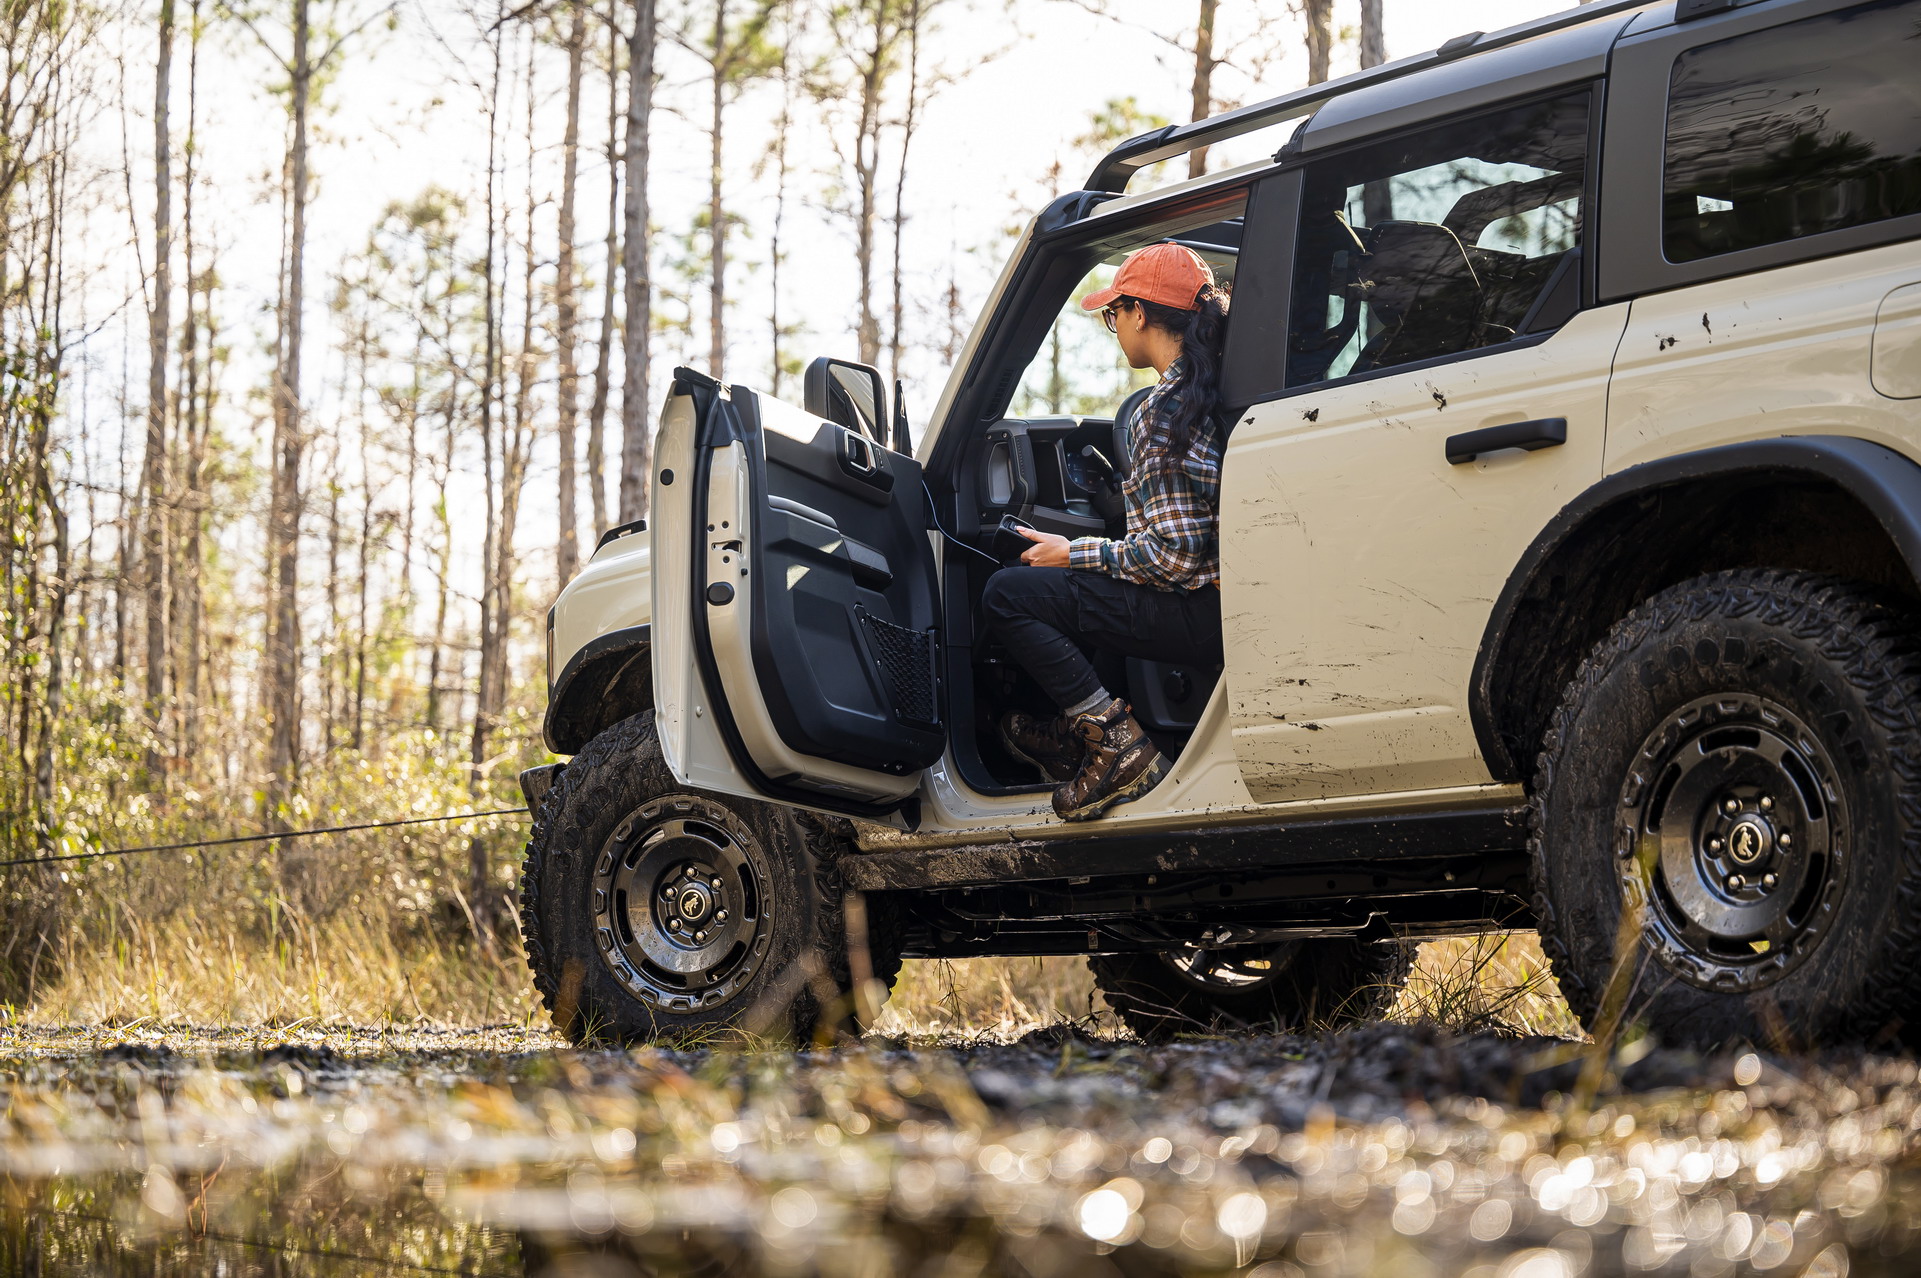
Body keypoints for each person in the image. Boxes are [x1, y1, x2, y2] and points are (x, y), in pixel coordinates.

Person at [981, 242, 1230, 821]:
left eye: (1112, 313)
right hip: (1231, 604)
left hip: (1206, 613)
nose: (1112, 327)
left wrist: (1074, 552)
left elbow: (1173, 558)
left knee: (1008, 595)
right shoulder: (1215, 390)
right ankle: (1077, 737)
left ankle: (1117, 746)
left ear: (1140, 313)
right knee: (1091, 595)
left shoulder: (1162, 410)